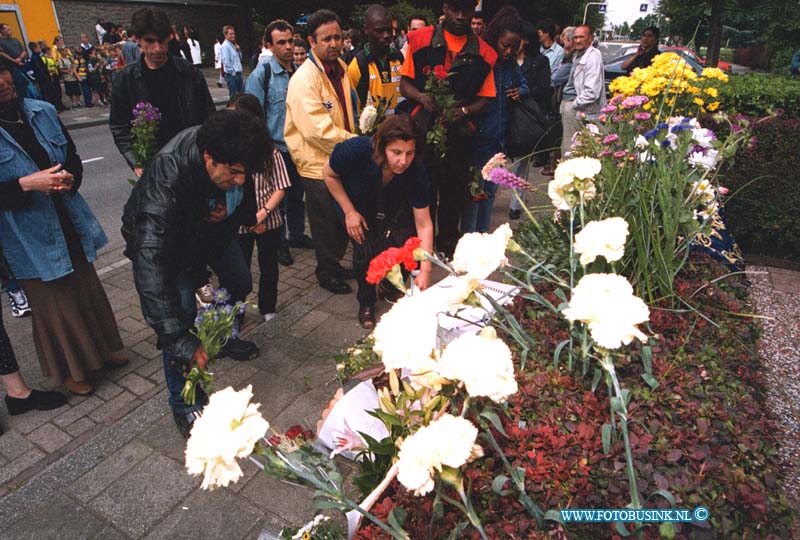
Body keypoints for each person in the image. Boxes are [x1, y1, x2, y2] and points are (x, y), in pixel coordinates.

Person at [121, 109, 267, 437]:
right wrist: (178, 339)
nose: (241, 180)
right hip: (168, 248)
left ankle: (219, 337)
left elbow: (243, 191)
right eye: (233, 172)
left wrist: (233, 211)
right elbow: (150, 262)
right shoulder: (168, 174)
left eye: (245, 173)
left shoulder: (233, 149)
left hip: (208, 234)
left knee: (239, 281)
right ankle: (184, 402)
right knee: (181, 314)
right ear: (207, 157)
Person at [0, 59, 127, 397]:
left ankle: (102, 353)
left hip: (66, 214)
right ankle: (70, 371)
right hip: (27, 233)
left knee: (84, 286)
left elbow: (71, 156)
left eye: (2, 72)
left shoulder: (40, 110)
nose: (1, 82)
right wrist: (27, 183)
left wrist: (70, 177)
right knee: (54, 300)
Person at [399, 0, 497, 257]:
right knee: (424, 189)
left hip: (459, 136)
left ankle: (447, 245)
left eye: (466, 10)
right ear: (444, 8)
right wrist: (420, 97)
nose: (461, 16)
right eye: (455, 9)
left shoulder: (484, 53)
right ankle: (424, 245)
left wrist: (463, 111)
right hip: (423, 132)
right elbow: (404, 85)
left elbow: (487, 97)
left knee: (454, 194)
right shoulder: (420, 40)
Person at [323, 115, 433, 328]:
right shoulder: (357, 149)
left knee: (402, 243)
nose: (403, 161)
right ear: (382, 147)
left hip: (388, 204)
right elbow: (328, 174)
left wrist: (426, 270)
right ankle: (366, 302)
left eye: (409, 153)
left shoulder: (416, 170)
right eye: (396, 153)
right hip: (352, 202)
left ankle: (388, 285)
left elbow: (424, 224)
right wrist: (349, 212)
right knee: (364, 250)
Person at [285, 9, 358, 295]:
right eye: (326, 38)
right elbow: (317, 131)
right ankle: (326, 271)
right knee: (325, 221)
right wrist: (357, 144)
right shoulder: (304, 79)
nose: (334, 43)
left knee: (339, 220)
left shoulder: (339, 66)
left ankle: (335, 264)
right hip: (317, 164)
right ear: (311, 42)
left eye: (338, 37)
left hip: (340, 158)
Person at [110, 8, 214, 178]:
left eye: (162, 41)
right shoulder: (126, 79)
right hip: (153, 164)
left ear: (169, 37)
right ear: (138, 40)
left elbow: (208, 116)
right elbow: (119, 125)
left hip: (190, 159)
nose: (157, 48)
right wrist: (136, 160)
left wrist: (206, 153)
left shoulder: (188, 72)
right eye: (150, 41)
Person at [245, 19, 312, 268]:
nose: (287, 47)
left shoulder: (299, 72)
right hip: (275, 149)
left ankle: (296, 236)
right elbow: (251, 116)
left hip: (298, 149)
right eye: (281, 42)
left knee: (296, 196)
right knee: (278, 201)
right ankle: (280, 244)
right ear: (269, 45)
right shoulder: (262, 75)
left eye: (290, 41)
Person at [463, 6, 528, 233]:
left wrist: (520, 91)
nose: (509, 51)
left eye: (514, 46)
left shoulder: (510, 65)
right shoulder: (482, 61)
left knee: (490, 192)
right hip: (478, 137)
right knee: (474, 193)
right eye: (505, 45)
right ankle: (469, 238)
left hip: (499, 139)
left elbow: (524, 83)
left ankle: (482, 235)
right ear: (495, 38)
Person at [228, 94, 290, 323]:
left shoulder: (270, 152)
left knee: (269, 266)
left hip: (269, 221)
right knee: (238, 269)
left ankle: (267, 307)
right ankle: (237, 312)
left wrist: (262, 214)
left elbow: (281, 187)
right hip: (240, 224)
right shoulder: (229, 152)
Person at [348, 5, 405, 112]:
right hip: (374, 128)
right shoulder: (358, 64)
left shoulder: (399, 58)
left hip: (401, 126)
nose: (386, 35)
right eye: (379, 31)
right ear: (366, 30)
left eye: (389, 30)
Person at [560, 25, 605, 158]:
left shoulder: (593, 56)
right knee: (572, 148)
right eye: (576, 37)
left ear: (590, 39)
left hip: (580, 108)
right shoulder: (578, 55)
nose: (578, 40)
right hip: (573, 106)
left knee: (572, 152)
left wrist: (573, 105)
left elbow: (592, 92)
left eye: (582, 37)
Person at [220, 25, 244, 97]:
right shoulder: (225, 46)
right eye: (231, 34)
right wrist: (233, 73)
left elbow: (240, 58)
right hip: (232, 75)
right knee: (234, 97)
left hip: (238, 74)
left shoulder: (233, 45)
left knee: (242, 96)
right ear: (225, 34)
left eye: (234, 34)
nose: (233, 36)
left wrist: (238, 50)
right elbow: (226, 62)